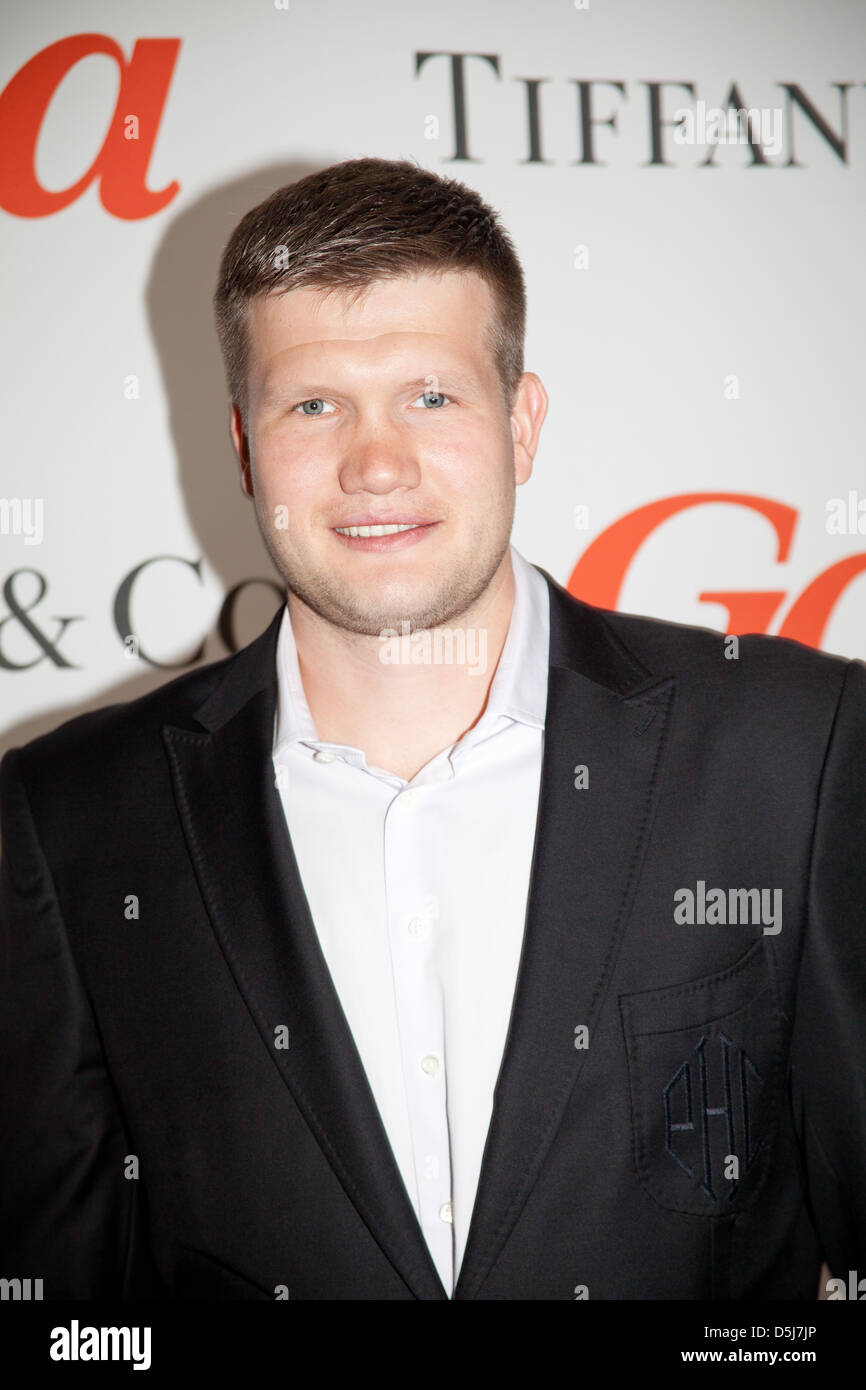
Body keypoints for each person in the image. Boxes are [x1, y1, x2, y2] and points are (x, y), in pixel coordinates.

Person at [0, 157, 863, 1301]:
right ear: (244, 444)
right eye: (314, 405)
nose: (375, 463)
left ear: (520, 422)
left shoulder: (793, 751)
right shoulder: (67, 819)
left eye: (431, 395)